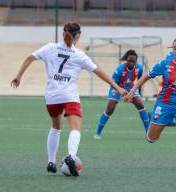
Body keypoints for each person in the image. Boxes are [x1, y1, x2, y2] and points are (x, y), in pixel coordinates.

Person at [10, 23, 126, 176]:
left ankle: (51, 161)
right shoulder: (79, 55)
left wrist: (18, 76)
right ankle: (71, 156)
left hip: (52, 96)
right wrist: (118, 88)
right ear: (78, 36)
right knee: (75, 128)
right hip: (69, 95)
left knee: (56, 127)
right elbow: (99, 72)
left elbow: (29, 58)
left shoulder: (50, 48)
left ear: (63, 33)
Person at [124, 36, 176, 170]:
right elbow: (145, 77)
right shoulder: (165, 64)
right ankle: (167, 120)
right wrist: (132, 92)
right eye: (174, 48)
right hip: (163, 104)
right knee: (151, 138)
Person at [94, 50, 149, 139]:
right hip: (117, 87)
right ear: (126, 60)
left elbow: (139, 82)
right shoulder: (120, 69)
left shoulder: (139, 68)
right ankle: (97, 133)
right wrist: (123, 94)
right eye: (129, 61)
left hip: (130, 88)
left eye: (133, 61)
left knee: (140, 105)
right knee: (110, 110)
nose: (131, 63)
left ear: (136, 61)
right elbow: (113, 83)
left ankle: (148, 132)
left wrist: (138, 94)